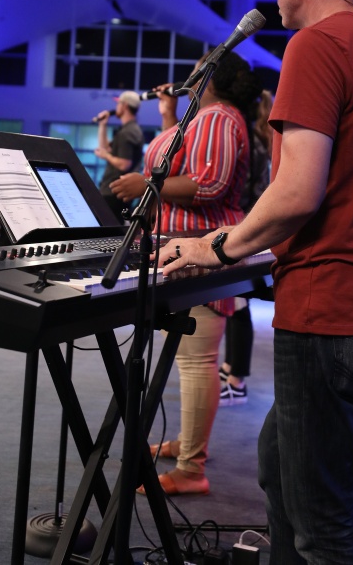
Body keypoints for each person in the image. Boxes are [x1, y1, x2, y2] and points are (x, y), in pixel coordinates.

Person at [156, 0, 353, 564]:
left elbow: (298, 193)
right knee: (281, 466)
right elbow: (344, 197)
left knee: (322, 525)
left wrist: (213, 247)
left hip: (332, 310)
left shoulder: (316, 44)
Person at [110, 52, 263, 495]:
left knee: (197, 361)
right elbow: (176, 161)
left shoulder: (218, 117)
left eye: (197, 68)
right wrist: (169, 114)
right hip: (184, 253)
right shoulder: (204, 117)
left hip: (200, 253)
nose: (189, 73)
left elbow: (209, 184)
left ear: (210, 78)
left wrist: (147, 185)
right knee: (187, 359)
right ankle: (188, 443)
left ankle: (192, 469)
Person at [219, 89, 274, 406]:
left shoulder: (251, 142)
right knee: (238, 303)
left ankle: (236, 380)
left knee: (238, 305)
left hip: (244, 226)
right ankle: (232, 371)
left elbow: (240, 191)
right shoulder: (263, 139)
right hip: (252, 226)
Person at [94, 90, 145, 221]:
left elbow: (124, 164)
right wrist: (103, 125)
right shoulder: (129, 130)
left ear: (124, 105)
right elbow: (106, 149)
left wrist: (106, 156)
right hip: (116, 192)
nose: (116, 107)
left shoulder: (127, 132)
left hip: (115, 192)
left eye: (118, 104)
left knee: (108, 229)